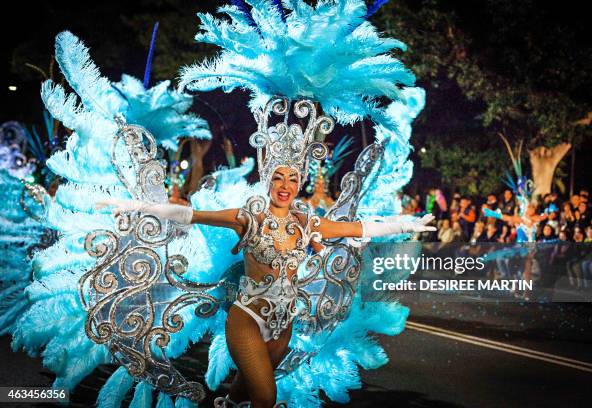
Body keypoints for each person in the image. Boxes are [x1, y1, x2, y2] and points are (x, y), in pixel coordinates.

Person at [98, 102, 436, 408]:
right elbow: (188, 215)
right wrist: (134, 205)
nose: (285, 184)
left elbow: (358, 229)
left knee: (240, 396)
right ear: (269, 181)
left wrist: (408, 222)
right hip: (246, 319)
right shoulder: (248, 217)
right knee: (265, 397)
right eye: (278, 177)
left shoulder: (307, 222)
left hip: (283, 325)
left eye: (292, 177)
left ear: (300, 180)